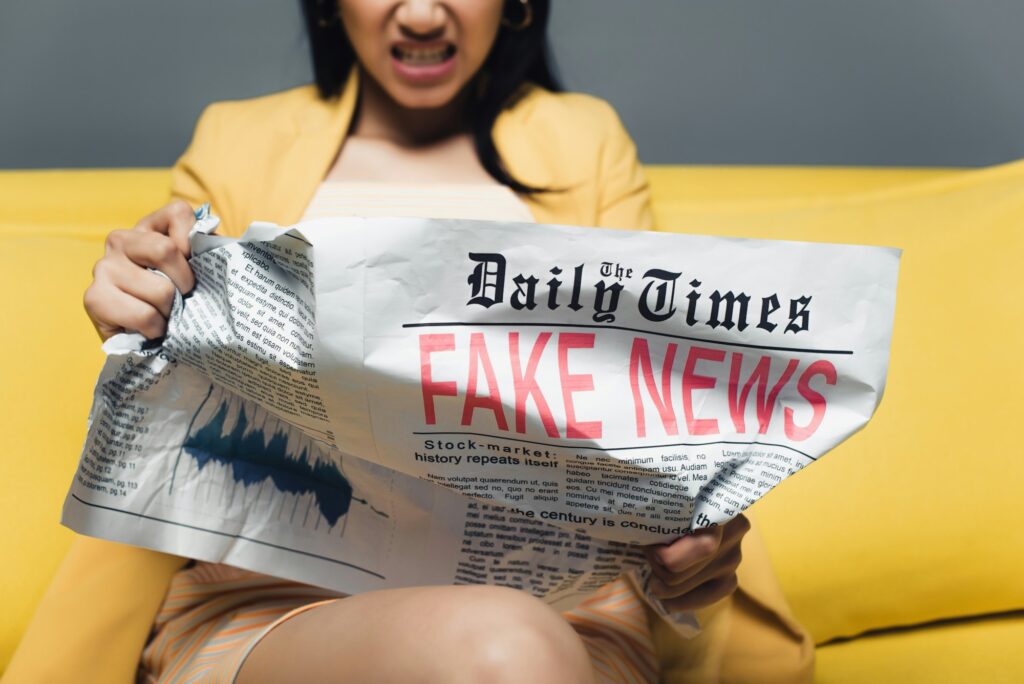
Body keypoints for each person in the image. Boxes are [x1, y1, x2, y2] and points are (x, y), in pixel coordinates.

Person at [73, 1, 809, 682]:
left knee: (512, 644)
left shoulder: (582, 141)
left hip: (571, 616)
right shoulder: (242, 140)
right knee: (502, 643)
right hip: (274, 609)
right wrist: (138, 307)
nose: (423, 12)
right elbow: (172, 377)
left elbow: (654, 405)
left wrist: (689, 546)